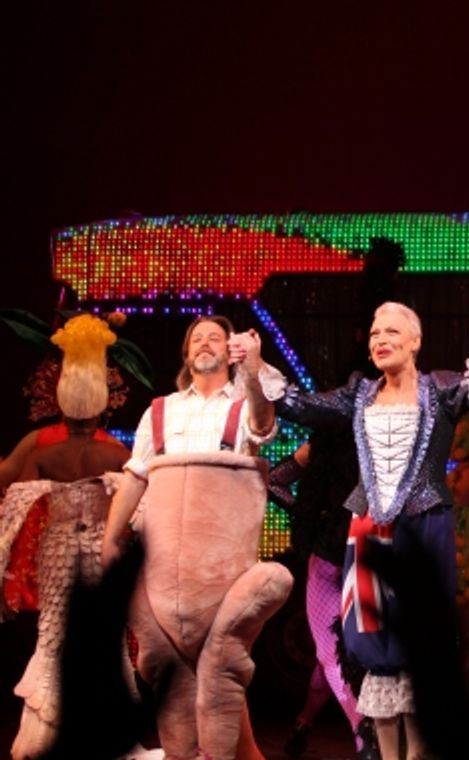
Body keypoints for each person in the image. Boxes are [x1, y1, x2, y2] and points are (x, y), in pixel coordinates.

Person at [274, 302, 469, 760]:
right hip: (367, 531)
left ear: (415, 341)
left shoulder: (440, 388)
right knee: (374, 651)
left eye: (392, 331)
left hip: (424, 527)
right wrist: (256, 367)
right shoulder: (358, 394)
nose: (380, 339)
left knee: (420, 647)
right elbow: (303, 406)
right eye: (375, 332)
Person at [101, 314, 289, 760]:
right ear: (187, 354)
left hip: (221, 570)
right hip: (165, 567)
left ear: (229, 351)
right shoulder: (161, 409)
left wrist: (254, 369)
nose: (205, 344)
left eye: (215, 339)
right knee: (173, 674)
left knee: (221, 670)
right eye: (196, 339)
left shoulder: (243, 405)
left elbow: (262, 426)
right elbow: (134, 477)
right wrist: (111, 540)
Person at [0, 314, 132, 759]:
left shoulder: (44, 449)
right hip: (99, 553)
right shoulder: (117, 452)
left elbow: (12, 489)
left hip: (57, 556)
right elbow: (135, 506)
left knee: (53, 638)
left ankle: (48, 735)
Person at [268, 436, 379, 760]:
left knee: (337, 657)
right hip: (338, 555)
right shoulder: (326, 443)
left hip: (365, 555)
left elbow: (275, 482)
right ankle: (364, 737)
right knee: (331, 655)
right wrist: (314, 519)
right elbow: (274, 481)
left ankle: (305, 722)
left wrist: (316, 519)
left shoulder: (384, 433)